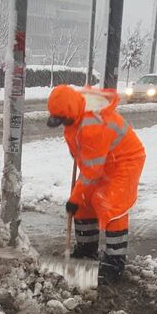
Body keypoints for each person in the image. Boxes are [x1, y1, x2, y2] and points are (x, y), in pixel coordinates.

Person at [46, 85, 147, 285]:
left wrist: (74, 198)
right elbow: (89, 163)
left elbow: (92, 173)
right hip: (102, 160)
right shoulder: (76, 110)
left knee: (110, 205)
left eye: (64, 120)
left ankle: (115, 264)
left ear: (72, 113)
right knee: (84, 203)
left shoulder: (93, 126)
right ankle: (87, 250)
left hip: (125, 161)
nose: (63, 124)